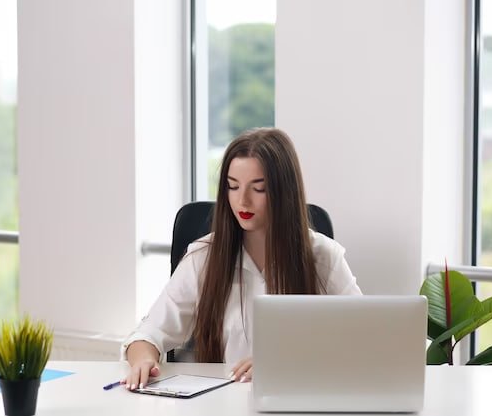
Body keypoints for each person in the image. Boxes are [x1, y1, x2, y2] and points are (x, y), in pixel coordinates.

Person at [121, 127, 362, 390]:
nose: (242, 201)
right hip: (222, 401)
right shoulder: (205, 256)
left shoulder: (323, 256)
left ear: (285, 193)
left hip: (298, 397)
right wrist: (143, 359)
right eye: (233, 186)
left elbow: (362, 337)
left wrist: (285, 361)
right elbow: (149, 333)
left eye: (258, 189)